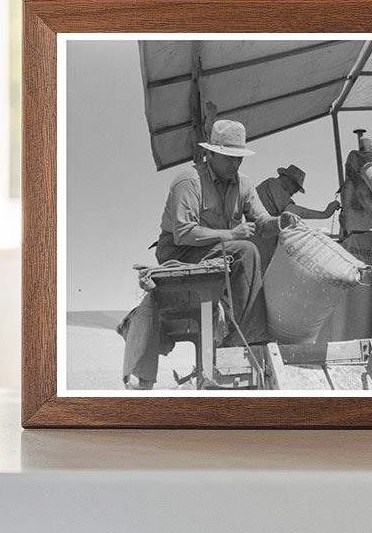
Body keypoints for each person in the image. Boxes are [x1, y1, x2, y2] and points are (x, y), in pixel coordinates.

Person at [120, 119, 285, 390]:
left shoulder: (244, 184)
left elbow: (263, 222)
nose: (236, 164)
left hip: (219, 250)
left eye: (239, 158)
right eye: (229, 158)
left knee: (251, 250)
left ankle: (239, 334)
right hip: (181, 250)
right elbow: (184, 232)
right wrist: (231, 234)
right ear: (212, 154)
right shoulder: (188, 181)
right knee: (246, 250)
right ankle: (243, 338)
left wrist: (280, 223)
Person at [254, 165, 340, 271]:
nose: (294, 193)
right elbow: (291, 210)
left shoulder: (274, 192)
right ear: (286, 179)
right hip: (260, 240)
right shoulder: (274, 184)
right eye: (295, 187)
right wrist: (324, 214)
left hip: (264, 239)